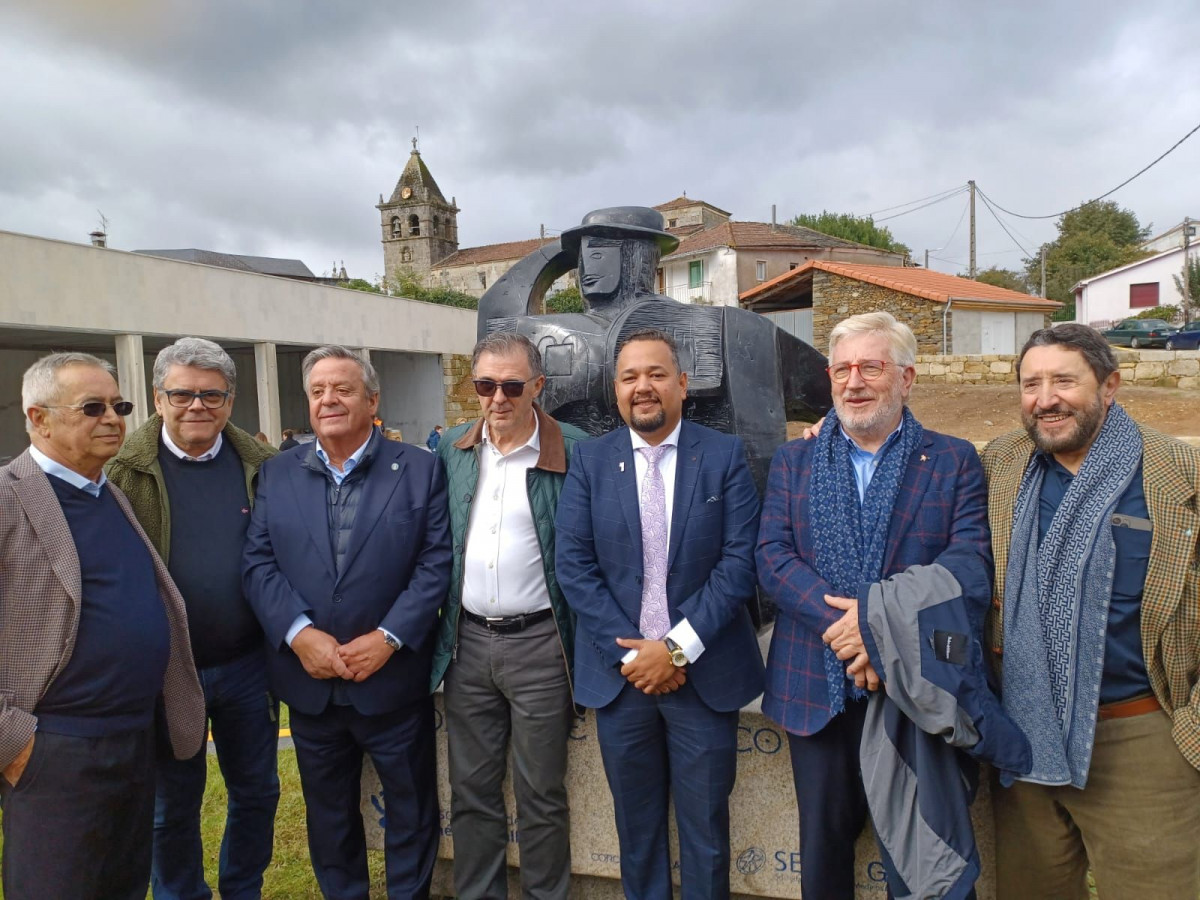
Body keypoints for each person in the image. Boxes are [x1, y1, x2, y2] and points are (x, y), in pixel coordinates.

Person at [755, 311, 992, 900]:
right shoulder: (796, 460)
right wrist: (850, 626)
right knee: (824, 853)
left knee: (915, 853)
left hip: (914, 682)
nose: (853, 381)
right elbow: (773, 557)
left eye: (870, 366)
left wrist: (878, 630)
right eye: (842, 369)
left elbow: (966, 566)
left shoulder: (953, 460)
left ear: (907, 378)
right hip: (815, 684)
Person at [983, 324, 1200, 899]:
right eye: (1031, 383)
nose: (1045, 399)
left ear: (1110, 386)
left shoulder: (1182, 476)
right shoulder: (1000, 466)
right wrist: (831, 439)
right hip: (1023, 744)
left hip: (1143, 739)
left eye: (1064, 381)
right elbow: (916, 479)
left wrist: (1193, 733)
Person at [555, 328, 764, 899]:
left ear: (682, 384)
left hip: (703, 675)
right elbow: (574, 566)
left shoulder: (721, 455)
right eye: (629, 377)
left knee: (706, 836)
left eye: (655, 374)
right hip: (622, 681)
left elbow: (739, 562)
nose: (643, 387)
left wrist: (673, 650)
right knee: (637, 835)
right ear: (615, 391)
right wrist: (636, 655)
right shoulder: (591, 461)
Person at [243, 345, 452, 899]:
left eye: (343, 389)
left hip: (391, 682)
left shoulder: (421, 470)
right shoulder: (277, 474)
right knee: (330, 817)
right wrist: (299, 634)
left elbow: (435, 564)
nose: (329, 400)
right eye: (318, 391)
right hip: (311, 685)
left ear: (372, 399)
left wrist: (388, 638)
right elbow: (258, 563)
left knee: (411, 810)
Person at [0, 352, 205, 900]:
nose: (113, 418)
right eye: (92, 407)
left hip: (132, 742)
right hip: (54, 750)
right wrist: (14, 742)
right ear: (38, 418)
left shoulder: (108, 494)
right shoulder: (7, 498)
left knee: (122, 886)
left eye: (120, 405)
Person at [107, 337, 280, 900]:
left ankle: (241, 889)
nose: (196, 406)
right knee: (169, 807)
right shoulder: (121, 474)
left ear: (230, 400)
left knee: (257, 792)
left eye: (211, 394)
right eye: (182, 394)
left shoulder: (263, 467)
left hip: (247, 666)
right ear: (159, 398)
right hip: (166, 672)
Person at [431, 332, 587, 899]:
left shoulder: (575, 447)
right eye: (486, 385)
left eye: (513, 385)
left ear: (538, 387)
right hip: (467, 642)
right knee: (470, 791)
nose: (499, 397)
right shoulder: (453, 448)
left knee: (541, 794)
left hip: (542, 644)